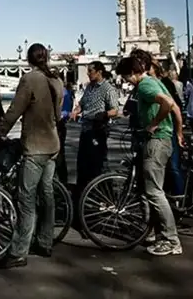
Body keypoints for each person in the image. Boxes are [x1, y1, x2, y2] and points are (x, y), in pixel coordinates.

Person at [0, 43, 63, 269]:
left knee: (26, 199)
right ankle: (45, 242)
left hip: (35, 146)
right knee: (47, 194)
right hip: (53, 144)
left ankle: (19, 251)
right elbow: (58, 114)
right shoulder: (57, 80)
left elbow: (14, 109)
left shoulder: (30, 79)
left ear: (29, 58)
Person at [115, 56, 184, 256]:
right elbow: (175, 108)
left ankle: (171, 240)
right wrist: (177, 133)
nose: (127, 81)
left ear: (131, 73)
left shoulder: (145, 86)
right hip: (163, 140)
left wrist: (154, 123)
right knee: (152, 190)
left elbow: (168, 103)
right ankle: (159, 235)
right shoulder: (155, 82)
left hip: (156, 141)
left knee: (154, 192)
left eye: (126, 77)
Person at [70, 61, 118, 199]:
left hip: (98, 130)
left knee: (98, 164)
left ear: (99, 72)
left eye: (90, 71)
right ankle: (83, 194)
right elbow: (82, 104)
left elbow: (115, 110)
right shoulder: (89, 88)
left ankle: (105, 195)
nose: (88, 74)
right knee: (83, 163)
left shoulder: (108, 89)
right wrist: (75, 111)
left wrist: (104, 115)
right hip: (85, 129)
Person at [55, 82, 74, 185]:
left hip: (58, 126)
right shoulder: (63, 91)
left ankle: (63, 183)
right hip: (57, 126)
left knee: (59, 156)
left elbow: (66, 112)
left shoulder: (63, 92)